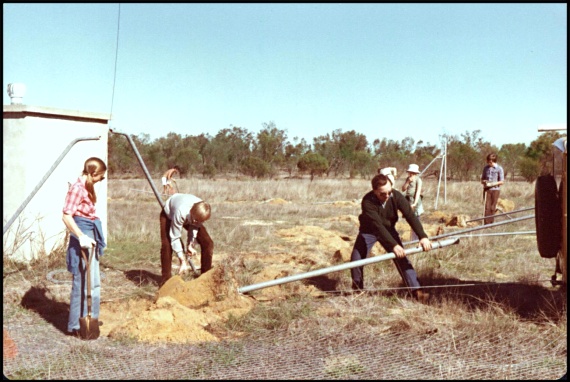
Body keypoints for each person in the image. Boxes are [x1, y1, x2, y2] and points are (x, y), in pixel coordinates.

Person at [350, 173, 432, 301]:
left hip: (389, 229)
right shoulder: (367, 201)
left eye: (389, 191)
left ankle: (417, 291)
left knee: (401, 257)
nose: (387, 196)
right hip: (369, 231)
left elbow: (410, 215)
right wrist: (393, 245)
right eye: (382, 194)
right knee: (356, 259)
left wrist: (422, 236)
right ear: (374, 191)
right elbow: (377, 226)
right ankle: (357, 290)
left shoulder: (396, 195)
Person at [61, 157, 107, 336]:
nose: (100, 180)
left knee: (92, 281)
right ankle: (75, 326)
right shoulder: (77, 189)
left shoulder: (87, 186)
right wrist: (81, 236)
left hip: (89, 233)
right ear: (92, 173)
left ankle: (90, 317)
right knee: (82, 281)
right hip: (83, 234)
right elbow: (66, 215)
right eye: (100, 177)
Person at [160, 193, 214, 285]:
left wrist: (190, 245)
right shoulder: (181, 212)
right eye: (196, 220)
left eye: (200, 221)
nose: (197, 223)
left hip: (190, 215)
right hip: (169, 214)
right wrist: (182, 261)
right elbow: (175, 237)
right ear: (191, 212)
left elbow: (194, 227)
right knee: (167, 245)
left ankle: (205, 279)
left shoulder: (201, 209)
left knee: (208, 242)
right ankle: (166, 282)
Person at [401, 164, 424, 241]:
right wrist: (407, 182)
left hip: (415, 201)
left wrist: (414, 203)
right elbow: (403, 189)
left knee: (416, 220)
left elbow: (417, 192)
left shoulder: (418, 180)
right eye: (410, 172)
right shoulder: (408, 179)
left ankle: (416, 238)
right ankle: (412, 238)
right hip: (408, 200)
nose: (411, 174)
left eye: (413, 173)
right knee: (410, 219)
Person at [481, 153, 505, 224]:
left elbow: (502, 181)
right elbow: (482, 179)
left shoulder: (499, 169)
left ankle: (491, 222)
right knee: (487, 207)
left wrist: (492, 184)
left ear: (492, 161)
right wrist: (484, 182)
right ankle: (486, 223)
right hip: (487, 190)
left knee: (492, 207)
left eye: (489, 162)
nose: (488, 163)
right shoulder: (485, 168)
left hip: (495, 190)